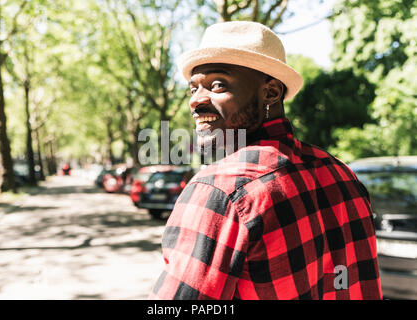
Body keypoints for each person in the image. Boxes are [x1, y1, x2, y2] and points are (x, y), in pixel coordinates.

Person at [149, 21, 382, 300]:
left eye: (217, 85)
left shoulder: (221, 191)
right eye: (193, 88)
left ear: (271, 92)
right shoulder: (343, 176)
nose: (196, 101)